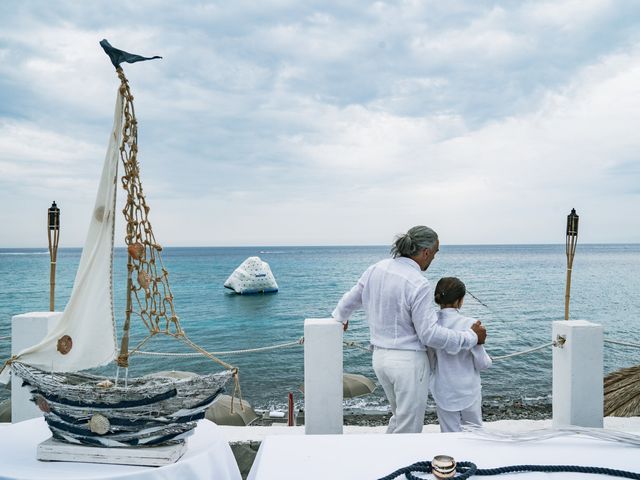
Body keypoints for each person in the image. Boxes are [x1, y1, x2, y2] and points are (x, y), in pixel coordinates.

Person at [332, 226, 486, 433]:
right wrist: (470, 337)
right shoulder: (418, 283)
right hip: (408, 364)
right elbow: (429, 334)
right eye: (435, 253)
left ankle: (387, 461)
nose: (433, 259)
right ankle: (398, 464)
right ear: (426, 252)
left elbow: (349, 300)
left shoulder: (376, 269)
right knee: (409, 428)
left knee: (399, 419)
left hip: (380, 359)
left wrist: (340, 318)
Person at [429, 277, 492, 432]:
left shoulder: (430, 325)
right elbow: (483, 364)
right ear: (460, 301)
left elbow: (430, 361)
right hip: (468, 390)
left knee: (449, 436)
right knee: (475, 434)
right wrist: (479, 343)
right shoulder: (471, 325)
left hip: (443, 390)